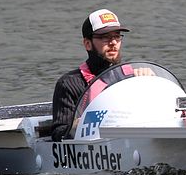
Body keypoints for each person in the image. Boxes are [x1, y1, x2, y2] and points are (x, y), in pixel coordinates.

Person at [51, 9, 130, 141]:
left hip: (130, 137)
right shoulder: (69, 84)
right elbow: (59, 133)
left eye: (117, 36)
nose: (113, 43)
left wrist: (149, 81)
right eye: (105, 37)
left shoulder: (131, 76)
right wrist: (79, 125)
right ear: (88, 44)